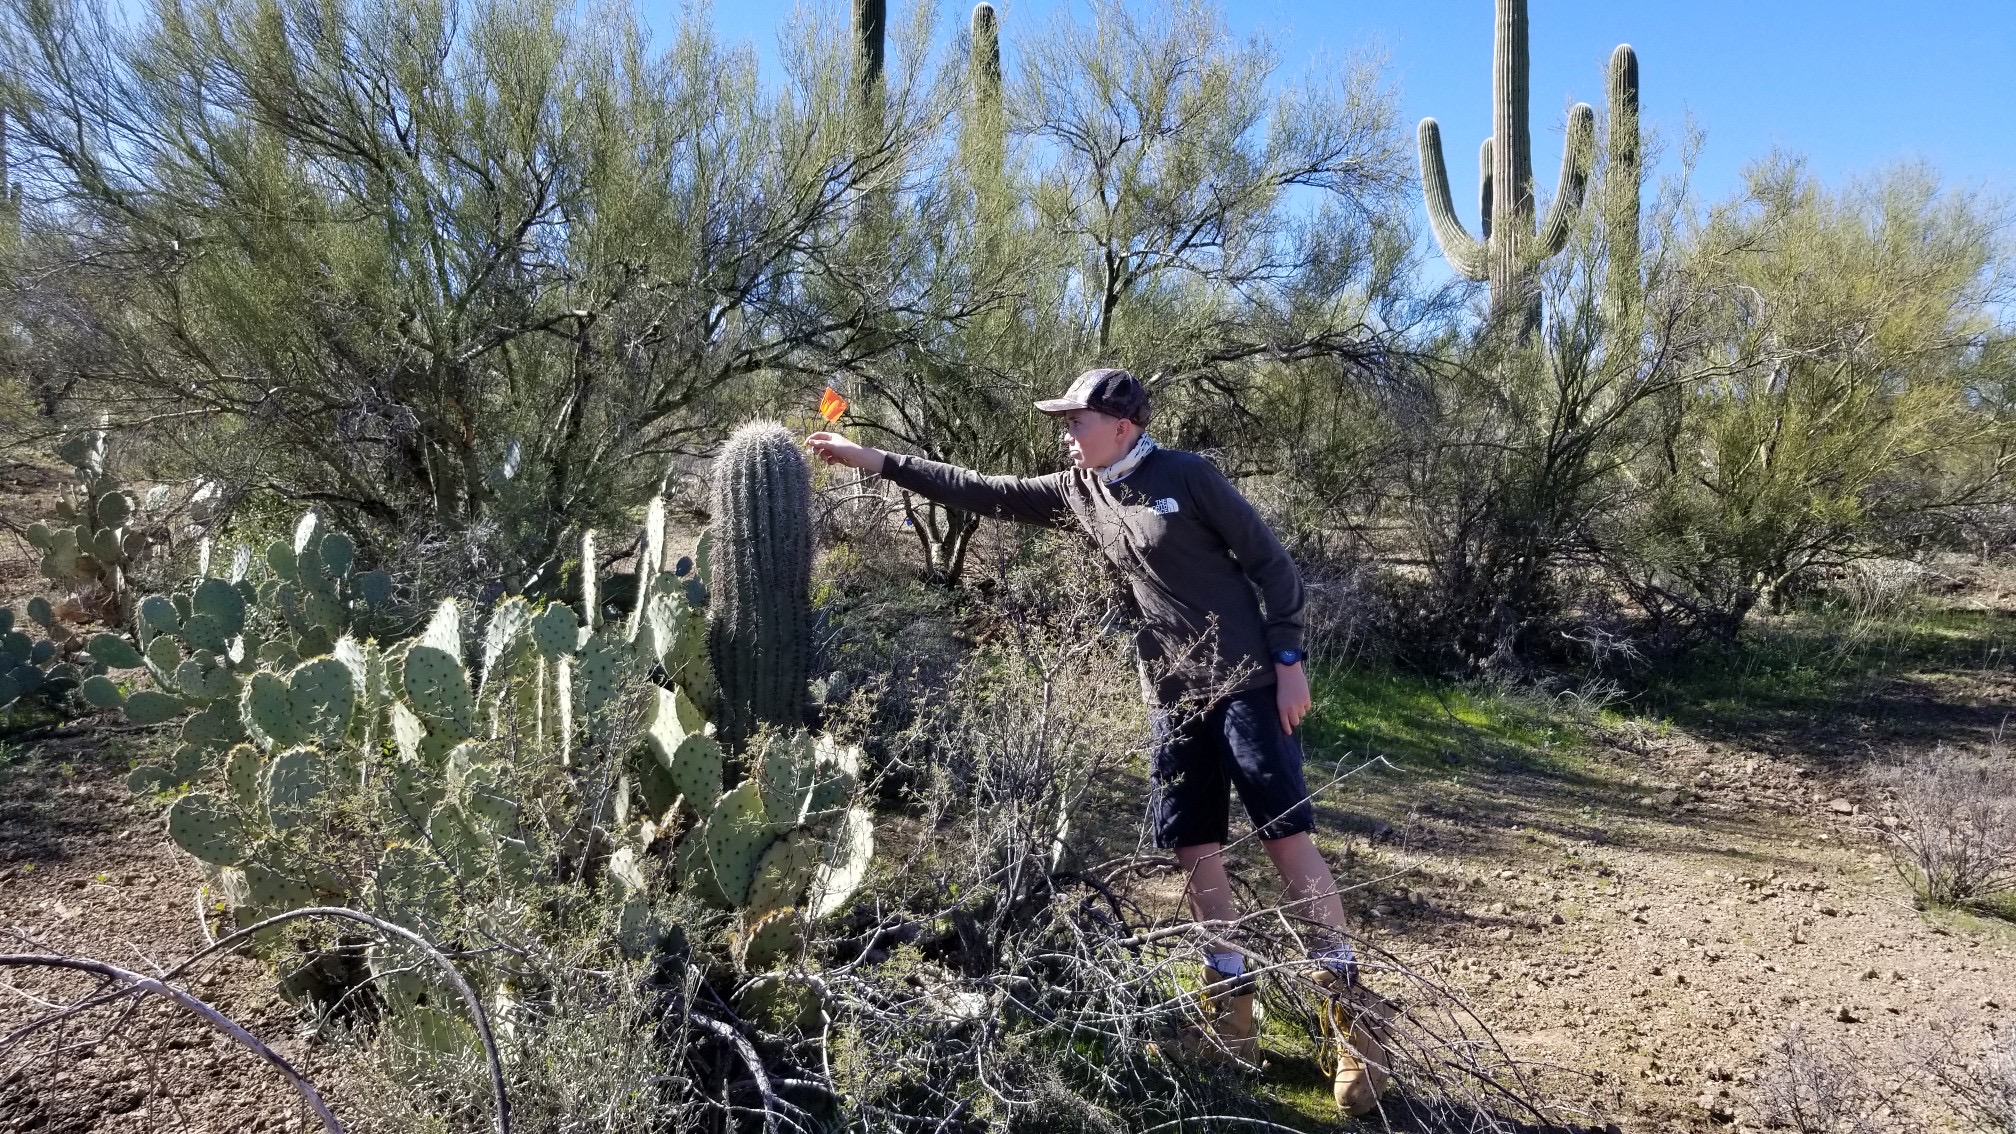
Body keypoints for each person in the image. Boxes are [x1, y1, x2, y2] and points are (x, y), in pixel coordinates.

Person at [807, 367, 1391, 1113]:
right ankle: (1232, 1012)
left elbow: (1273, 567)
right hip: (1172, 695)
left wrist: (1289, 662)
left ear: (1122, 424)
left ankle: (1353, 1026)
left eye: (1076, 420)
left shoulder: (1188, 475)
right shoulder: (1078, 491)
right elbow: (982, 489)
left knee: (1285, 838)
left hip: (1246, 681)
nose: (1065, 432)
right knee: (1193, 844)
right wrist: (877, 461)